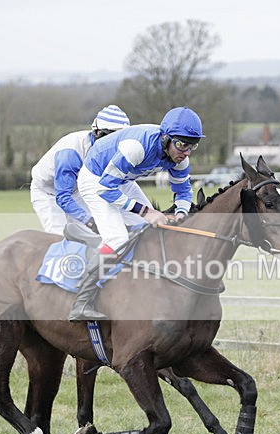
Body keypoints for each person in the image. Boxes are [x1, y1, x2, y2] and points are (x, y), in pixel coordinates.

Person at [68, 106, 205, 321]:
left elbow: (184, 191)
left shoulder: (180, 158)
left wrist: (181, 214)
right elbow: (105, 189)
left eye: (192, 146)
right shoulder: (137, 148)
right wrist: (146, 211)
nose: (186, 152)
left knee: (149, 228)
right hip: (96, 180)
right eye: (181, 145)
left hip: (122, 179)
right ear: (165, 138)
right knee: (118, 238)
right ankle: (81, 301)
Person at [30, 105, 131, 235]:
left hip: (77, 191)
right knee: (60, 237)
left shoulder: (103, 148)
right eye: (113, 138)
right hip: (49, 193)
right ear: (98, 133)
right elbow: (63, 197)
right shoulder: (70, 153)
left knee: (95, 234)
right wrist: (89, 222)